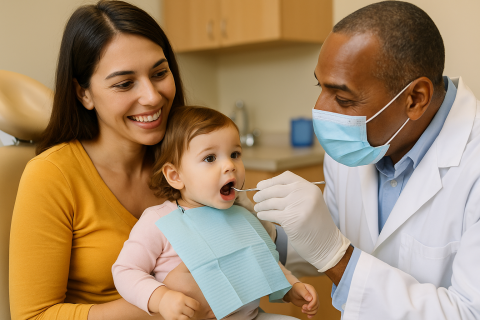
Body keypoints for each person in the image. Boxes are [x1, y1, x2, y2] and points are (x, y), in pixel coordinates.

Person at [9, 2, 274, 320]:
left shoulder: (191, 162)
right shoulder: (51, 175)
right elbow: (33, 316)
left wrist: (282, 233)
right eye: (124, 83)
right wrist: (161, 298)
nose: (152, 96)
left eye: (160, 73)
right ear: (84, 94)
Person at [253, 1, 480, 319]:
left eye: (343, 99)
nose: (321, 111)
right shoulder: (359, 146)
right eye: (320, 87)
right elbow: (333, 236)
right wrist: (268, 234)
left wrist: (336, 258)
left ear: (415, 98)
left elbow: (469, 313)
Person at [112, 106, 319, 320]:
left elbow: (266, 261)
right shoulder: (158, 221)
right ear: (175, 175)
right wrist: (161, 298)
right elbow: (125, 271)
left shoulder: (242, 215)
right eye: (210, 158)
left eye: (235, 154)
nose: (229, 165)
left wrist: (291, 287)